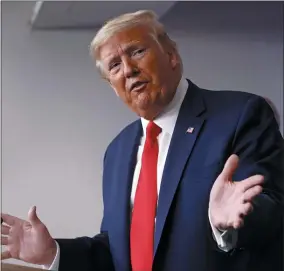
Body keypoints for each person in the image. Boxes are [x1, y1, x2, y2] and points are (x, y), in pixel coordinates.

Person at [1, 10, 283, 271]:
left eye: (137, 51)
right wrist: (53, 253)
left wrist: (227, 225)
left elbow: (272, 210)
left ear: (172, 55)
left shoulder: (241, 114)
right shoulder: (118, 151)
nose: (128, 69)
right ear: (113, 87)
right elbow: (115, 252)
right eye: (114, 65)